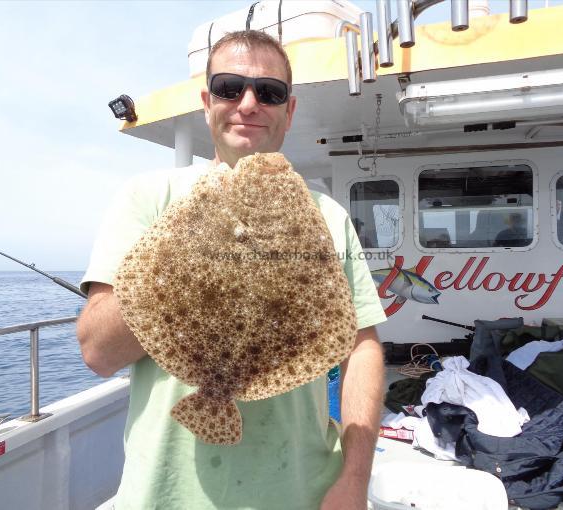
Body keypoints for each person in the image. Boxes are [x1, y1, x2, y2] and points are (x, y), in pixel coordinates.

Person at [76, 30, 387, 510]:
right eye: (229, 87)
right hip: (166, 495)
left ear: (289, 110)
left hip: (302, 489)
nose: (248, 103)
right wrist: (189, 243)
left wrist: (354, 480)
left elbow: (359, 347)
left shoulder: (328, 216)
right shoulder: (149, 198)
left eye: (269, 92)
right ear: (207, 101)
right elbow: (98, 353)